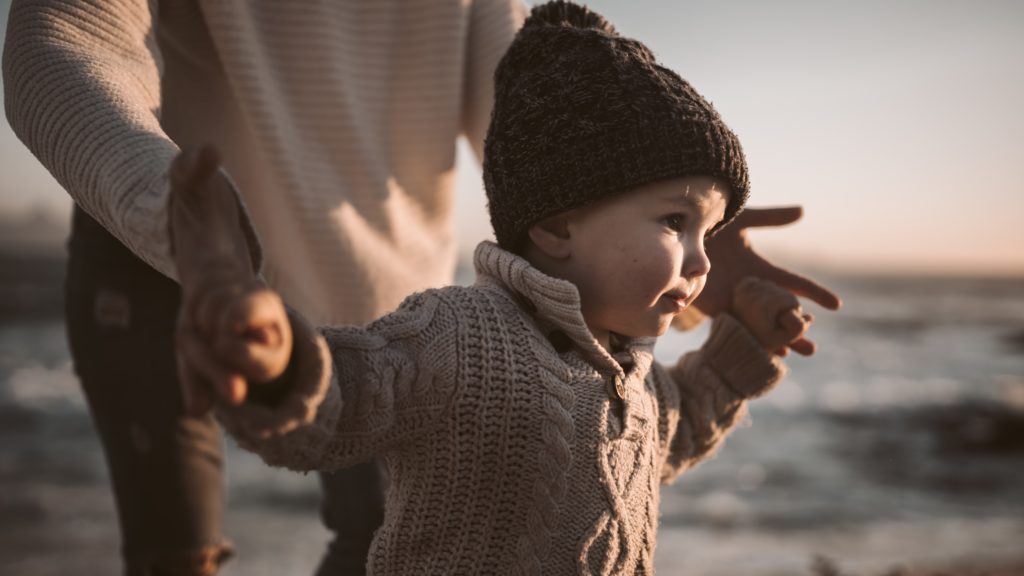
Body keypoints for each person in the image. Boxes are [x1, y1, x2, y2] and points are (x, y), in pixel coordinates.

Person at [170, 2, 836, 573]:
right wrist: (279, 360)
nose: (702, 263)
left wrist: (747, 342)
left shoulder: (630, 373)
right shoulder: (458, 336)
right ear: (552, 225)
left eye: (708, 233)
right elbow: (345, 399)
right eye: (674, 222)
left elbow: (678, 426)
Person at [3, 1, 530, 574]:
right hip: (168, 241)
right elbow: (66, 34)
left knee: (392, 550)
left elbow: (528, 113)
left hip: (384, 300)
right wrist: (183, 216)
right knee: (177, 559)